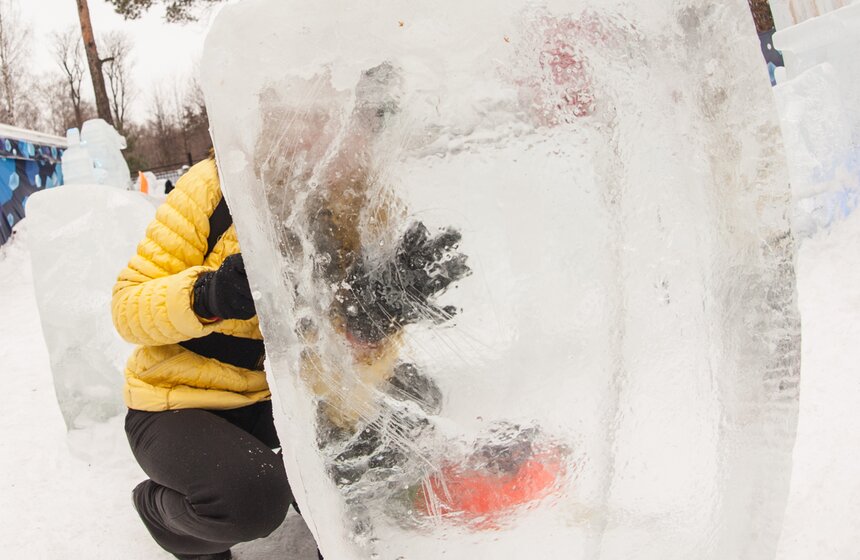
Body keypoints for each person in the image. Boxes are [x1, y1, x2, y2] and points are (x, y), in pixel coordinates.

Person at [112, 155, 300, 560]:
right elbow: (126, 309)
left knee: (374, 441)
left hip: (277, 400)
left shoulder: (351, 187)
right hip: (180, 402)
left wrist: (389, 307)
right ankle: (160, 512)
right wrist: (206, 294)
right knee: (251, 498)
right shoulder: (214, 186)